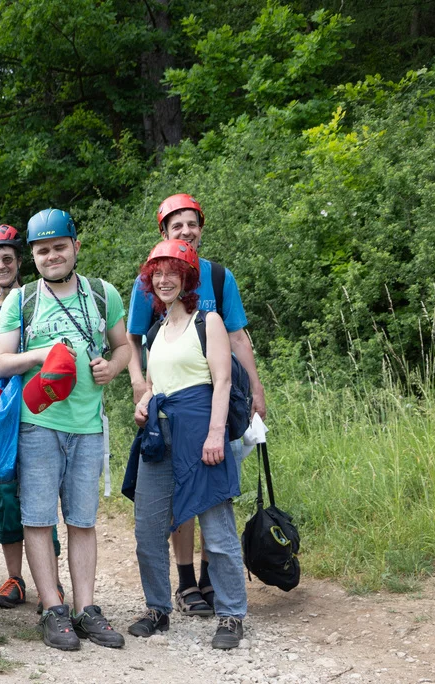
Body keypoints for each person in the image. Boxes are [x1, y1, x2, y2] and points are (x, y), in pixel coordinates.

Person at [0, 208, 130, 651]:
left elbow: (124, 345)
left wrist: (114, 367)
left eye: (58, 247)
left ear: (75, 247)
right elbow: (1, 362)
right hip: (37, 424)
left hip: (88, 425)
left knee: (83, 520)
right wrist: (39, 356)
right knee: (37, 518)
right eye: (42, 250)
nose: (52, 256)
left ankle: (86, 609)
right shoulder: (22, 299)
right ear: (33, 255)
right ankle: (54, 608)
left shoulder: (102, 293)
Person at [124, 193, 266, 616]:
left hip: (206, 420)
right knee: (157, 521)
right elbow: (143, 355)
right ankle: (174, 594)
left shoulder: (215, 294)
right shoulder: (154, 318)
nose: (165, 280)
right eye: (176, 224)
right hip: (163, 426)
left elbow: (229, 363)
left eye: (192, 223)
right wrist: (142, 393)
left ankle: (225, 605)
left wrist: (252, 395)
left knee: (214, 521)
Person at [0, 224, 62, 609]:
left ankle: (50, 582)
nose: (1, 265)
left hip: (39, 412)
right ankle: (15, 578)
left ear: (20, 260)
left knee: (39, 496)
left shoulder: (40, 301)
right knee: (4, 497)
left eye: (7, 258)